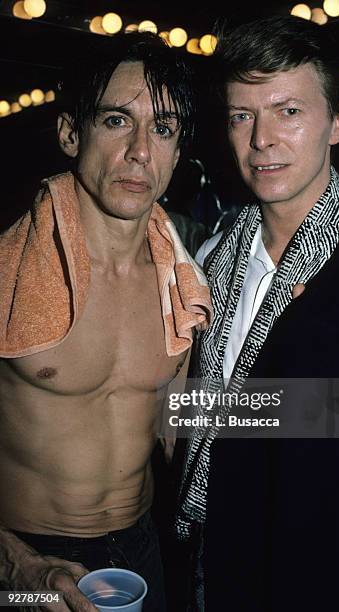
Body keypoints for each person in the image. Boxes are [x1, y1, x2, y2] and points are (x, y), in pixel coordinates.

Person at [176, 15, 339, 612]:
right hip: (209, 562)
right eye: (241, 115)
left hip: (335, 573)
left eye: (289, 111)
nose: (261, 140)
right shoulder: (213, 253)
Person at [0, 32, 212, 612]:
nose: (142, 150)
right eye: (118, 121)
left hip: (143, 550)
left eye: (163, 129)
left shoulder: (185, 284)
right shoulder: (7, 273)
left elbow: (184, 423)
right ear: (71, 133)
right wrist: (17, 565)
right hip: (25, 564)